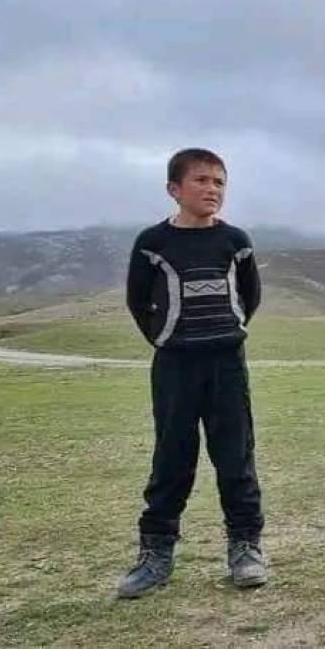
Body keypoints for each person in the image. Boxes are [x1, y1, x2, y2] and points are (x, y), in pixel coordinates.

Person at [117, 148, 267, 598]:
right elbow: (138, 300)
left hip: (227, 364)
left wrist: (227, 332)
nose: (212, 189)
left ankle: (245, 546)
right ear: (174, 189)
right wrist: (166, 338)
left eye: (219, 182)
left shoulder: (235, 241)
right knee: (171, 458)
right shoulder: (153, 243)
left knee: (236, 458)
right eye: (201, 180)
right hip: (175, 366)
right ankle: (156, 553)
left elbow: (250, 296)